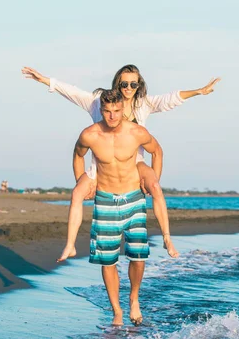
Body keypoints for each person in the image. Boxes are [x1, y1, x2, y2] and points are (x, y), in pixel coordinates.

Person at [22, 65, 220, 262]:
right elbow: (73, 92)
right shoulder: (98, 103)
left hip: (136, 162)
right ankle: (70, 245)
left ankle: (167, 238)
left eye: (133, 84)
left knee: (156, 187)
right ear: (118, 83)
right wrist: (47, 81)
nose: (128, 87)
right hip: (101, 164)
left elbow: (170, 99)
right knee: (77, 193)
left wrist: (199, 91)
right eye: (124, 83)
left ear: (138, 85)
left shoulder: (144, 104)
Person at [59, 89, 163, 326]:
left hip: (133, 198)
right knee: (108, 261)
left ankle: (134, 298)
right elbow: (78, 154)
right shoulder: (90, 134)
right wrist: (82, 182)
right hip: (105, 199)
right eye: (107, 111)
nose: (112, 116)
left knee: (138, 256)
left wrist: (151, 181)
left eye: (116, 111)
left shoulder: (137, 133)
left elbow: (157, 151)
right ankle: (117, 311)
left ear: (123, 110)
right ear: (102, 110)